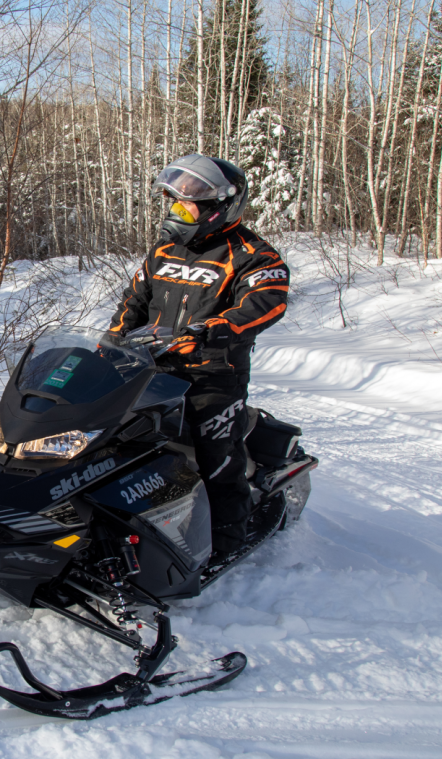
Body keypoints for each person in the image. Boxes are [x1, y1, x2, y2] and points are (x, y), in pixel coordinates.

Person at [106, 154, 290, 554]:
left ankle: (227, 540)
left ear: (218, 208)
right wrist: (114, 338)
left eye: (186, 203)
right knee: (112, 441)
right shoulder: (164, 251)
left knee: (216, 458)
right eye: (173, 202)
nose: (176, 210)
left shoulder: (253, 255)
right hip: (152, 366)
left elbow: (266, 302)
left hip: (213, 374)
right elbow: (134, 300)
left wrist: (213, 331)